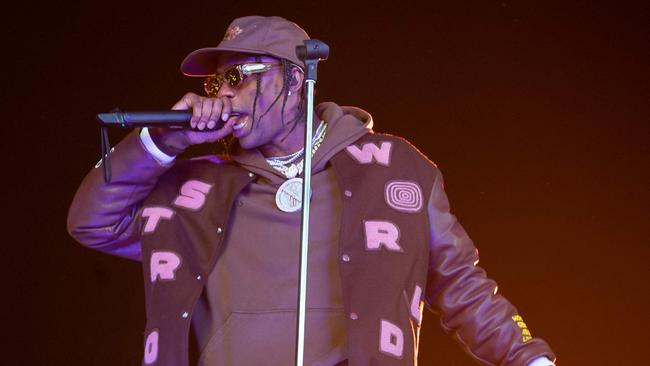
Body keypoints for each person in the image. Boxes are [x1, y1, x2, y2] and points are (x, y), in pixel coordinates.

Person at [67, 15, 556, 366]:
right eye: (217, 82)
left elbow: (459, 284)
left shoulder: (392, 172)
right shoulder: (197, 187)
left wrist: (530, 359)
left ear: (296, 79)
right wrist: (167, 139)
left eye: (238, 77)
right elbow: (91, 222)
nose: (222, 95)